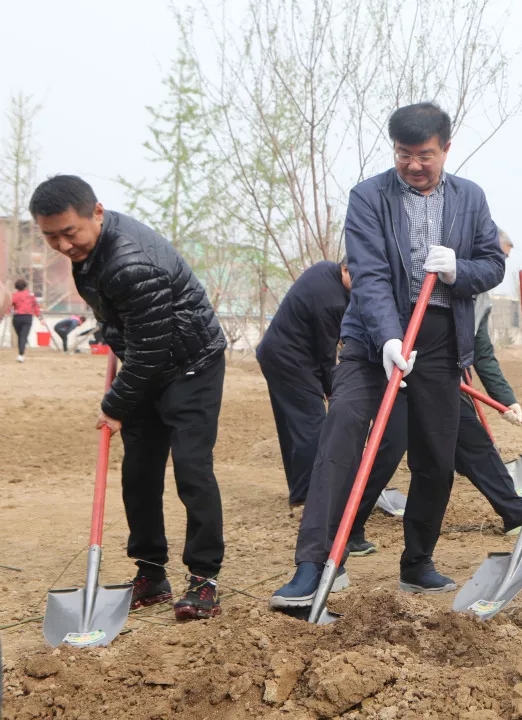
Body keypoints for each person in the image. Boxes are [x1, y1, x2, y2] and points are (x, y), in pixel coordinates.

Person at [269, 102, 505, 607]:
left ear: (446, 148)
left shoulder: (470, 198)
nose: (413, 165)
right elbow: (369, 273)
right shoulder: (369, 196)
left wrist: (458, 269)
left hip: (441, 340)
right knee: (342, 429)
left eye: (425, 155)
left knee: (435, 457)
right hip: (373, 338)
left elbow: (492, 264)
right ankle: (314, 563)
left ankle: (418, 563)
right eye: (403, 154)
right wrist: (388, 338)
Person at [31, 174, 229, 621]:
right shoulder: (89, 252)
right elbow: (127, 325)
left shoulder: (130, 262)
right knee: (138, 472)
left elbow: (151, 349)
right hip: (146, 362)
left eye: (69, 232)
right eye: (51, 236)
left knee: (192, 468)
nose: (63, 244)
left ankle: (203, 578)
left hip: (191, 365)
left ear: (97, 213)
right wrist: (114, 335)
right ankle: (151, 572)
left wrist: (114, 405)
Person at [337, 230, 522, 566]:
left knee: (473, 440)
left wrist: (506, 399)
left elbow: (482, 352)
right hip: (402, 372)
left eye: (502, 258)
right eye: (495, 254)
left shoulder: (481, 298)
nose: (497, 263)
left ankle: (514, 512)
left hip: (441, 379)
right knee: (388, 450)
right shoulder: (427, 272)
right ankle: (347, 530)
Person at [256, 259, 351, 508]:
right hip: (290, 359)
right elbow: (326, 354)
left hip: (274, 352)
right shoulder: (332, 301)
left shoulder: (325, 268)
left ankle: (300, 492)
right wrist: (331, 390)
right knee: (313, 424)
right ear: (345, 269)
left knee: (292, 425)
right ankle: (311, 496)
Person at [9, 279, 44, 362]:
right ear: (25, 286)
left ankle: (21, 352)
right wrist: (40, 318)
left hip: (17, 317)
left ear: (16, 287)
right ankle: (21, 354)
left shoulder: (14, 295)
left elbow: (9, 306)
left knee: (20, 336)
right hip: (27, 317)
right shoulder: (31, 295)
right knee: (23, 336)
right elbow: (36, 307)